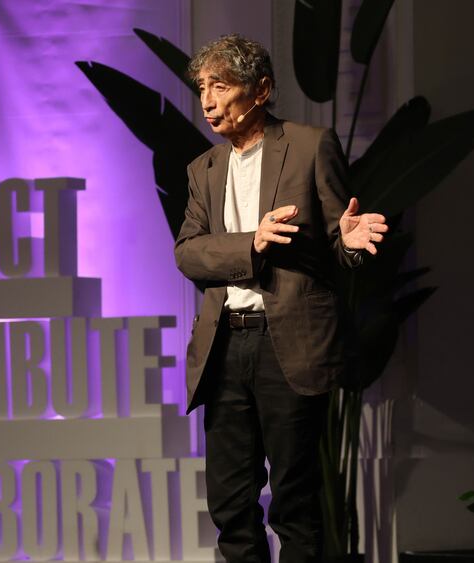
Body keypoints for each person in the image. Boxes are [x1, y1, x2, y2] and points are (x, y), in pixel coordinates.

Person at [174, 34, 388, 563]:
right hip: (225, 347)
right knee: (230, 502)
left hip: (288, 343)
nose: (207, 101)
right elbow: (189, 253)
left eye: (220, 87)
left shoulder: (311, 145)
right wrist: (251, 243)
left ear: (261, 89)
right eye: (202, 88)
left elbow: (339, 241)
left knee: (295, 502)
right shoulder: (203, 169)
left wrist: (350, 242)